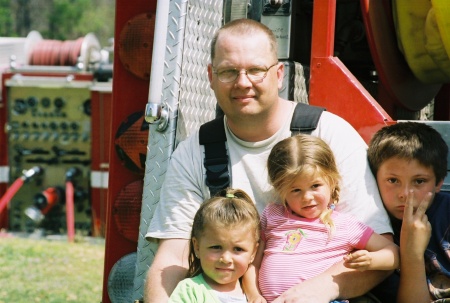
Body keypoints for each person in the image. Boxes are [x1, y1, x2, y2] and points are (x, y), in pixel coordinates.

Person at [145, 18, 393, 303]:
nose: (242, 82)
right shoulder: (194, 152)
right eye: (228, 72)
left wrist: (322, 288)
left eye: (255, 70)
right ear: (210, 76)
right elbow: (172, 258)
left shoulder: (329, 133)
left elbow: (383, 250)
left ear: (278, 74)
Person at [242, 135, 399, 303]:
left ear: (331, 181)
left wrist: (372, 260)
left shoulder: (345, 225)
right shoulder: (272, 215)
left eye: (315, 186)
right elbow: (253, 264)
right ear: (281, 189)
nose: (307, 197)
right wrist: (253, 295)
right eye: (296, 190)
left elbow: (394, 253)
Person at [367, 122, 450, 303]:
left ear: (438, 183)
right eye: (392, 180)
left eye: (419, 181)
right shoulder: (371, 228)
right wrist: (411, 253)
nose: (405, 194)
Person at [168, 188, 260, 303]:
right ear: (197, 247)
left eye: (238, 249)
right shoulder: (190, 290)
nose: (226, 259)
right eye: (216, 247)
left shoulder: (256, 296)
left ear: (253, 253)